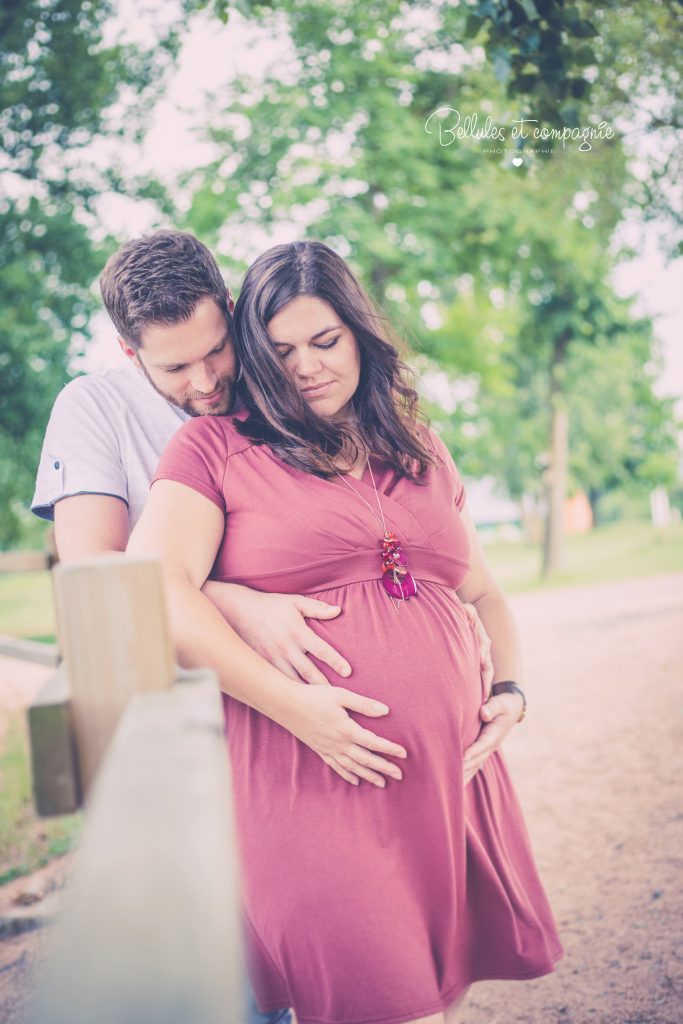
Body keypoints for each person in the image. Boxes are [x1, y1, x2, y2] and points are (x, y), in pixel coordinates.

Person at [128, 240, 563, 1024]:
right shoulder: (213, 448)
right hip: (307, 776)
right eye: (280, 350)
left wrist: (510, 687)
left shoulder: (418, 442)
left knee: (432, 1001)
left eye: (325, 342)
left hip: (444, 784)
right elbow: (156, 590)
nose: (305, 367)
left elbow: (485, 592)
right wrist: (300, 711)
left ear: (361, 332)